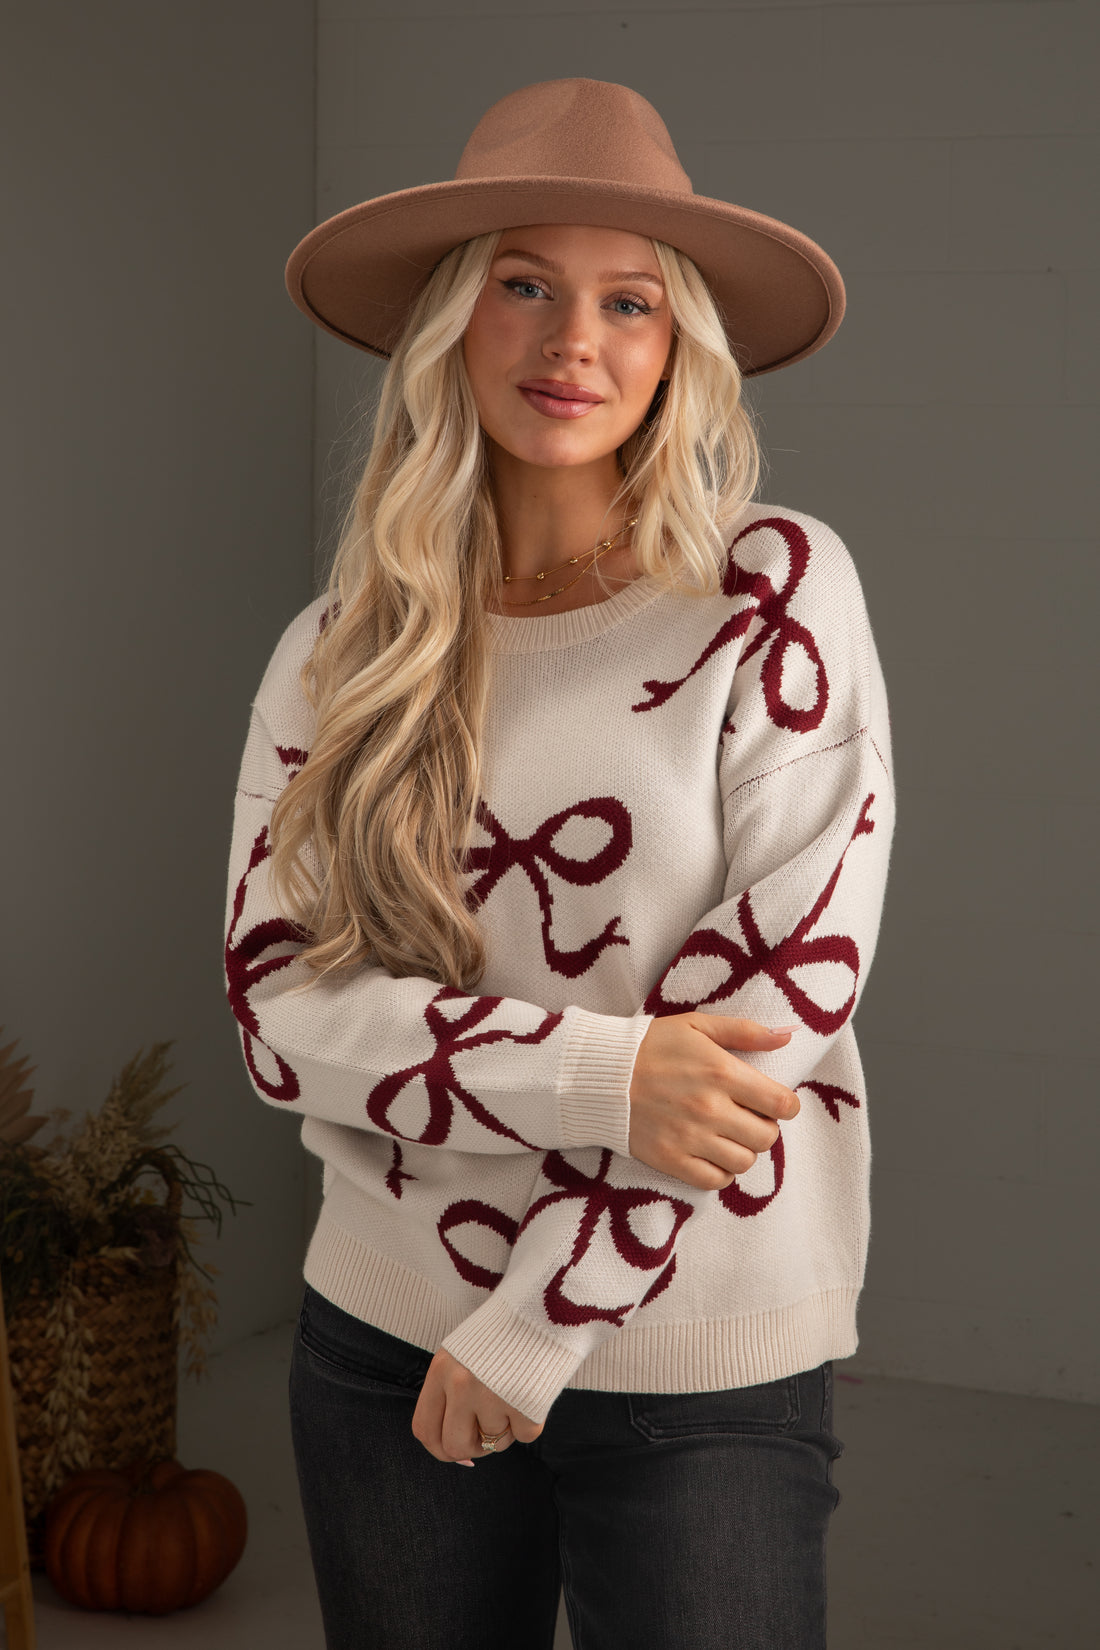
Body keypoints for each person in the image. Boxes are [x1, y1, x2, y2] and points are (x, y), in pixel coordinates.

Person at [224, 78, 893, 1650]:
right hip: (386, 1333)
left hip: (695, 1355)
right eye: (521, 284)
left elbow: (761, 1031)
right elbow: (278, 1017)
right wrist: (608, 1073)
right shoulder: (339, 658)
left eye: (628, 302)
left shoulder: (774, 598)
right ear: (453, 321)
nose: (569, 341)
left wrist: (530, 1328)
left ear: (680, 348)